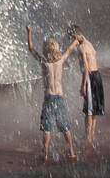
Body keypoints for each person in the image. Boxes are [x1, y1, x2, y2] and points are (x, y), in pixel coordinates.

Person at [26, 24, 78, 162]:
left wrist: (29, 32)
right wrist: (76, 39)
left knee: (47, 128)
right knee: (65, 125)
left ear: (46, 51)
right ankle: (72, 151)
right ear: (56, 50)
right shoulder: (60, 61)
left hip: (49, 98)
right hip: (59, 97)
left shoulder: (44, 63)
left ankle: (46, 154)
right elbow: (70, 49)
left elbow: (31, 49)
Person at [68, 24, 104, 150]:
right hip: (98, 75)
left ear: (76, 36)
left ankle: (87, 137)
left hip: (90, 77)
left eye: (72, 38)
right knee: (94, 108)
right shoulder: (89, 43)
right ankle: (92, 134)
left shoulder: (81, 48)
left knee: (88, 109)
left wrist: (83, 85)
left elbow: (85, 68)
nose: (72, 41)